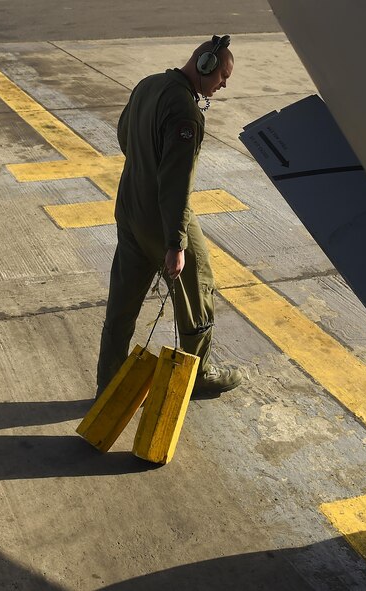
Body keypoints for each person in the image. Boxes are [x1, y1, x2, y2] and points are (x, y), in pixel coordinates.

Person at [97, 36, 243, 398]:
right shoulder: (185, 113)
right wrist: (176, 243)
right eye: (221, 76)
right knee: (198, 289)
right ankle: (198, 374)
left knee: (123, 303)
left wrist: (145, 164)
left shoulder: (148, 85)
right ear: (205, 65)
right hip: (162, 220)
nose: (223, 84)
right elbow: (176, 183)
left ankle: (109, 382)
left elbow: (124, 138)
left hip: (129, 209)